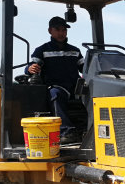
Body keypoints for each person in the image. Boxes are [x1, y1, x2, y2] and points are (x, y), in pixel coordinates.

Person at [25, 16, 84, 144]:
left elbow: (85, 68)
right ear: (50, 31)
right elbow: (32, 66)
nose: (61, 33)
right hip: (57, 87)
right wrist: (30, 69)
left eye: (64, 30)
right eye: (58, 30)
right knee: (55, 94)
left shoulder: (75, 51)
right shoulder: (42, 50)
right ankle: (66, 132)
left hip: (75, 88)